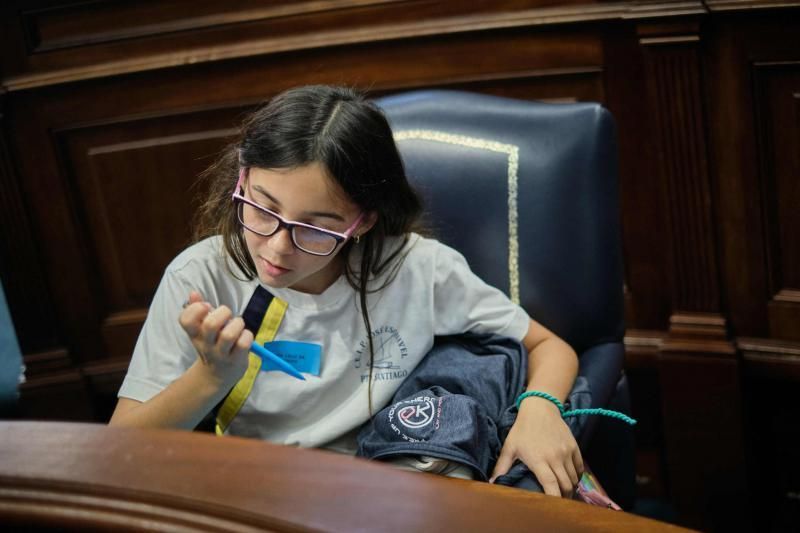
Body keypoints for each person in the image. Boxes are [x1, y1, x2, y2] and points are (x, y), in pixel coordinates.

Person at [109, 85, 583, 498]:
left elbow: (548, 346)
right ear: (242, 178)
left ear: (363, 222)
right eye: (262, 207)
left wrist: (540, 412)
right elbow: (122, 450)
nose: (277, 247)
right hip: (251, 486)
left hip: (380, 487)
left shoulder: (417, 269)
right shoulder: (201, 277)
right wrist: (212, 376)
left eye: (317, 228)